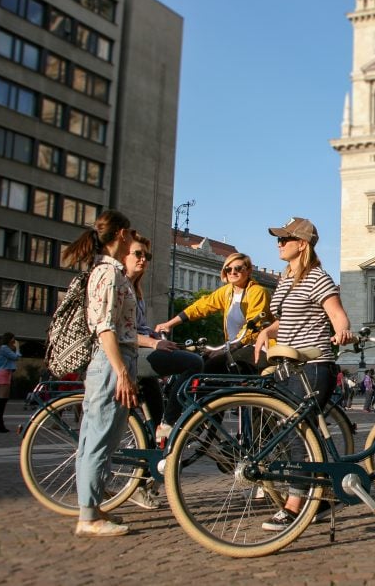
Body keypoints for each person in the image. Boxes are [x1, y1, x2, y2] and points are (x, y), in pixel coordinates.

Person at [252, 217, 355, 531]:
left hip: (313, 366)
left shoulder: (317, 277)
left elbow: (337, 314)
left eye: (285, 239)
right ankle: (321, 497)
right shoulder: (286, 279)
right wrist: (265, 332)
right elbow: (285, 321)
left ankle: (294, 507)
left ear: (303, 243)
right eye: (278, 239)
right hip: (288, 367)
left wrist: (342, 333)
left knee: (299, 432)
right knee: (288, 429)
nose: (279, 244)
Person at [65, 209, 139, 537]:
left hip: (112, 360)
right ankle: (88, 517)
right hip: (112, 360)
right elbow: (105, 326)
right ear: (122, 234)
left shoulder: (106, 270)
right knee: (98, 438)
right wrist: (122, 372)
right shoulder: (108, 273)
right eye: (130, 233)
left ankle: (92, 508)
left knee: (99, 437)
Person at [123, 234, 204, 510]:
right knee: (193, 364)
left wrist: (158, 334)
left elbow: (141, 329)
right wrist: (154, 341)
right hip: (131, 357)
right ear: (124, 256)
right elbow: (119, 331)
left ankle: (143, 484)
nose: (143, 260)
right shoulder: (120, 286)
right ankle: (171, 418)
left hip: (142, 353)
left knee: (154, 430)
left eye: (147, 256)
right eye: (138, 254)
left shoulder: (137, 289)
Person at [155, 252, 269, 373]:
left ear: (249, 270)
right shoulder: (227, 292)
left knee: (214, 366)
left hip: (258, 347)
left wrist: (230, 348)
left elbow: (252, 327)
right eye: (228, 269)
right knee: (200, 361)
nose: (232, 272)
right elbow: (200, 307)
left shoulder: (257, 292)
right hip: (234, 348)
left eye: (238, 268)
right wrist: (169, 324)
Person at [0, 332, 20, 432]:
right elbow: (16, 357)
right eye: (13, 339)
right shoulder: (4, 348)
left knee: (3, 400)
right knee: (2, 400)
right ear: (9, 339)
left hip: (4, 373)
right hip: (4, 373)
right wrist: (17, 347)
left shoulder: (2, 348)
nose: (14, 341)